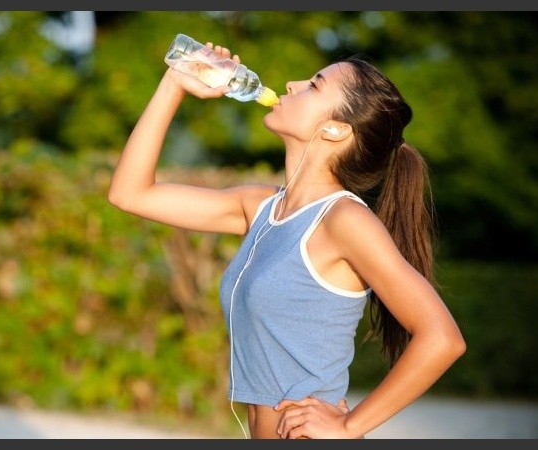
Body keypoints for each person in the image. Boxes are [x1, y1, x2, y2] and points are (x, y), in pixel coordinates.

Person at [107, 40, 466, 439]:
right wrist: (175, 83)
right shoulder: (260, 207)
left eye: (314, 85)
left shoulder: (343, 220)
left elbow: (442, 338)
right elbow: (130, 193)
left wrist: (349, 426)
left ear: (334, 130)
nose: (293, 84)